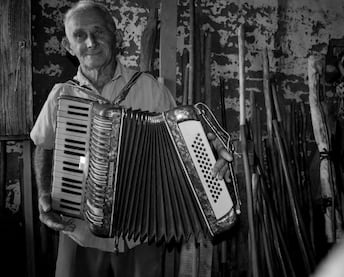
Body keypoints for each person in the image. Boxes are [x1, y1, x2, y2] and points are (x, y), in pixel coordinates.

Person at [30, 1, 233, 276]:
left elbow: (184, 140)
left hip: (142, 231)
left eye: (98, 31)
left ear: (117, 37)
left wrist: (212, 151)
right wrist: (44, 197)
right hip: (79, 229)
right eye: (79, 35)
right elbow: (44, 145)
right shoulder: (62, 95)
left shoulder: (148, 87)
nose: (90, 42)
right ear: (68, 46)